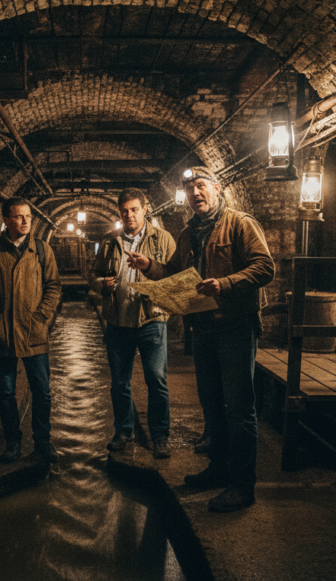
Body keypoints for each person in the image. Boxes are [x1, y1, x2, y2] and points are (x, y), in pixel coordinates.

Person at [128, 166, 275, 512]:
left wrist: (225, 283)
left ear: (217, 187)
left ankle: (242, 485)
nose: (196, 193)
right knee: (213, 405)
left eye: (201, 186)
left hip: (235, 325)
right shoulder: (189, 231)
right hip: (204, 327)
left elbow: (264, 267)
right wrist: (149, 266)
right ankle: (219, 470)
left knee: (239, 407)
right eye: (191, 188)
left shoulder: (240, 223)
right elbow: (175, 274)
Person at [0, 197, 62, 464]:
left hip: (35, 333)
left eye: (28, 217)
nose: (25, 221)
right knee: (6, 392)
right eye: (19, 217)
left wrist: (41, 317)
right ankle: (12, 442)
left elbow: (54, 286)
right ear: (6, 219)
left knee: (42, 391)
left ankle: (42, 441)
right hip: (3, 334)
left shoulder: (43, 250)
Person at [91, 189, 177, 459]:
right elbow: (93, 274)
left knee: (157, 380)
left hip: (151, 319)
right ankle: (124, 430)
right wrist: (101, 285)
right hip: (118, 320)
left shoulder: (162, 240)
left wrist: (150, 265)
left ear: (145, 209)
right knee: (119, 382)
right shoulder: (109, 241)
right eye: (125, 210)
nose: (129, 215)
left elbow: (176, 277)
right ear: (119, 212)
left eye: (134, 209)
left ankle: (160, 436)